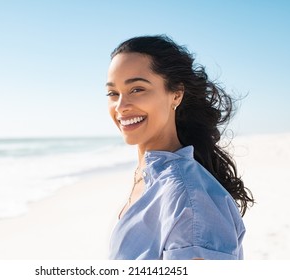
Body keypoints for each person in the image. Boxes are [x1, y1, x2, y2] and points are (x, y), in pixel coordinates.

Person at [106, 35, 254, 260]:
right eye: (113, 93)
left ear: (176, 94)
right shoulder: (149, 174)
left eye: (137, 89)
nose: (121, 106)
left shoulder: (188, 201)